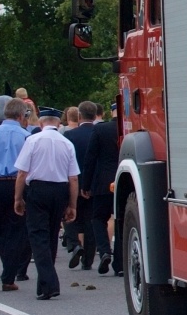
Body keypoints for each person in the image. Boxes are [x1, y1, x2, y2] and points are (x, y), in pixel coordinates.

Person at [13, 108, 80, 300]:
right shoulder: (67, 143)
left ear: (41, 123)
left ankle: (49, 282)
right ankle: (43, 285)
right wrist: (72, 205)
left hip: (38, 190)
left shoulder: (32, 141)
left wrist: (18, 198)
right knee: (51, 235)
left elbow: (22, 173)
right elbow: (73, 178)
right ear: (59, 123)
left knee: (38, 236)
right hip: (60, 190)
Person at [0, 98, 30, 290]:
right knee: (14, 231)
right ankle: (8, 278)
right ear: (21, 115)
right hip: (16, 184)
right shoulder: (26, 136)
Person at [83, 105, 120, 275]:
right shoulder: (129, 129)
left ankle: (105, 250)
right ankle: (120, 263)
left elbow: (90, 158)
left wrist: (86, 185)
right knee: (121, 221)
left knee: (98, 218)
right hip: (124, 181)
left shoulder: (100, 129)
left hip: (103, 182)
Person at [64, 101, 101, 270]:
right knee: (90, 221)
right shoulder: (99, 133)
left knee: (69, 216)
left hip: (74, 181)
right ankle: (88, 260)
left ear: (79, 116)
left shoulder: (71, 135)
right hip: (94, 184)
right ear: (95, 115)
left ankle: (74, 244)